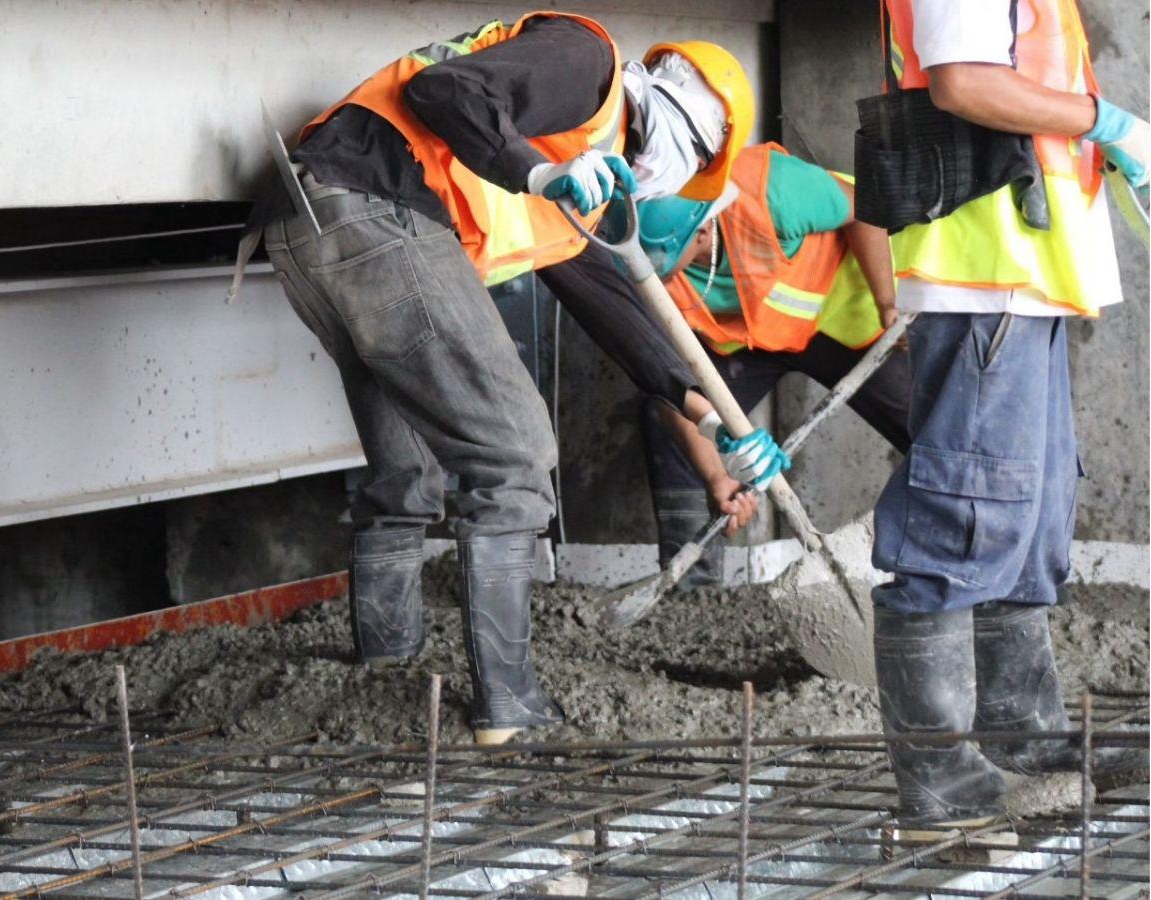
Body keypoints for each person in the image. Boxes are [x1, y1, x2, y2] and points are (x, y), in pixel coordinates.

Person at [242, 13, 780, 743]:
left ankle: (383, 673)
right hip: (374, 205)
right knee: (516, 454)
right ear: (694, 132)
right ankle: (508, 704)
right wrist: (537, 171)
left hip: (312, 218)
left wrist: (712, 420)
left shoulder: (580, 176)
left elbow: (616, 311)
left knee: (408, 467)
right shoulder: (590, 64)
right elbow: (445, 89)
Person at [857, 0, 1149, 835]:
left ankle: (1024, 743)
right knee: (968, 518)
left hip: (1026, 278)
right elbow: (963, 83)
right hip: (985, 274)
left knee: (1029, 519)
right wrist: (1106, 121)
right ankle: (941, 774)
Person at [625, 143, 910, 589]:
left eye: (662, 258)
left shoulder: (767, 189)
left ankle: (950, 576)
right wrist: (717, 477)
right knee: (668, 416)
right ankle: (692, 593)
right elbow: (673, 387)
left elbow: (865, 209)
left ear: (701, 231)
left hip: (839, 322)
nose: (652, 272)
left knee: (932, 430)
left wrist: (886, 303)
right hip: (750, 345)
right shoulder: (642, 264)